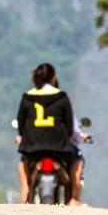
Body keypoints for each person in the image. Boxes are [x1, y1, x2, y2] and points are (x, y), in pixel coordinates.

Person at [15, 62, 84, 204]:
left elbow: (21, 126)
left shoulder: (27, 97)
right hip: (59, 148)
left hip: (33, 149)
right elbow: (70, 127)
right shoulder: (62, 97)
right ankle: (74, 197)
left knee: (22, 162)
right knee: (78, 159)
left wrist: (24, 138)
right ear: (53, 78)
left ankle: (25, 191)